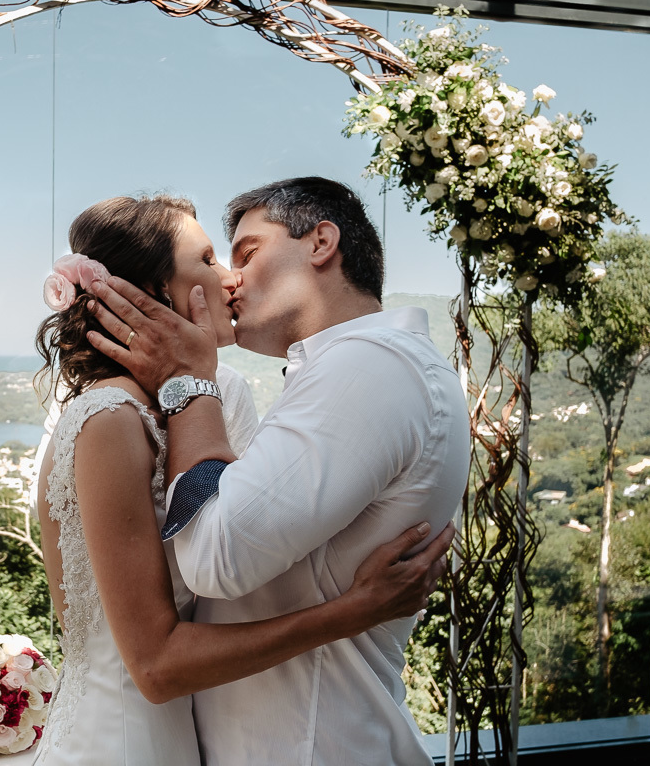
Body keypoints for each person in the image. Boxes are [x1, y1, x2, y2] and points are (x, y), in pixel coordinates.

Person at [30, 193, 453, 766]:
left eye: (241, 255)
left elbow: (229, 535)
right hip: (124, 739)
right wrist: (353, 611)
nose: (230, 279)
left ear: (322, 245)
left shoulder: (217, 395)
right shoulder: (112, 416)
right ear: (153, 292)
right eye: (209, 261)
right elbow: (159, 652)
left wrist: (191, 382)